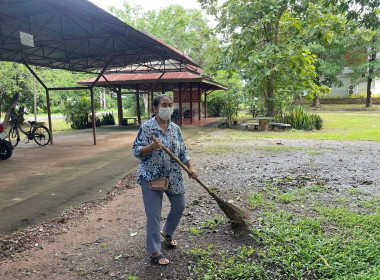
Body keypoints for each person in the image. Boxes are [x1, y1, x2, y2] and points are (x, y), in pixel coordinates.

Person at [132, 94, 198, 265]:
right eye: (164, 105)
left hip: (174, 175)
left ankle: (167, 232)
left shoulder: (175, 129)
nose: (167, 108)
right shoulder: (147, 128)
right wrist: (151, 147)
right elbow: (136, 150)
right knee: (153, 214)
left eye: (170, 105)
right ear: (155, 108)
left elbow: (183, 150)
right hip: (151, 176)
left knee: (179, 205)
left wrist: (190, 167)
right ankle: (155, 252)